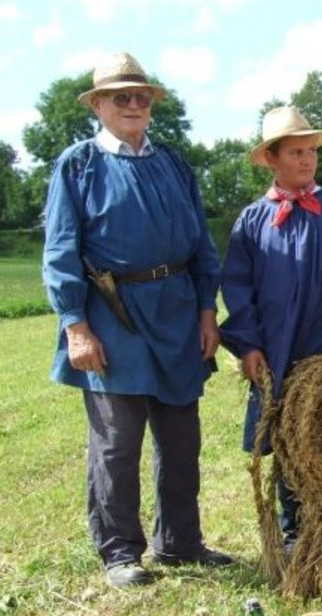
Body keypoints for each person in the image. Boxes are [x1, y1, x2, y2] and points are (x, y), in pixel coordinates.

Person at [42, 51, 231, 588]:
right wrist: (75, 325)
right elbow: (60, 250)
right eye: (120, 96)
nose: (132, 104)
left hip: (175, 313)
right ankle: (120, 551)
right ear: (97, 104)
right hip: (112, 317)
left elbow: (201, 246)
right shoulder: (78, 165)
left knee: (181, 438)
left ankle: (181, 543)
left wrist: (205, 310)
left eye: (140, 96)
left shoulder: (173, 163)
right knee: (117, 442)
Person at [220, 106, 322, 547]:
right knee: (288, 437)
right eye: (295, 152)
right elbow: (237, 289)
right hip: (276, 351)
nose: (307, 159)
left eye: (311, 150)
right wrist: (248, 346)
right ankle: (295, 533)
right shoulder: (252, 222)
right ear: (272, 158)